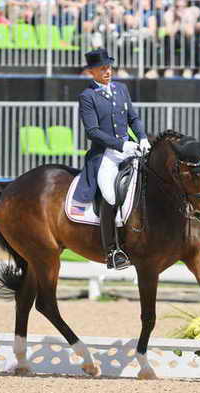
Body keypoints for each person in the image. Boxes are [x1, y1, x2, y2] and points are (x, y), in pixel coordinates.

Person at [73, 48, 150, 270]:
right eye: (102, 69)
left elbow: (133, 118)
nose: (107, 72)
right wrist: (120, 145)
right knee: (110, 193)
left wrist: (142, 137)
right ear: (91, 72)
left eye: (108, 67)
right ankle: (112, 251)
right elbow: (93, 131)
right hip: (106, 154)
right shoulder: (87, 96)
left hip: (130, 148)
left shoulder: (121, 89)